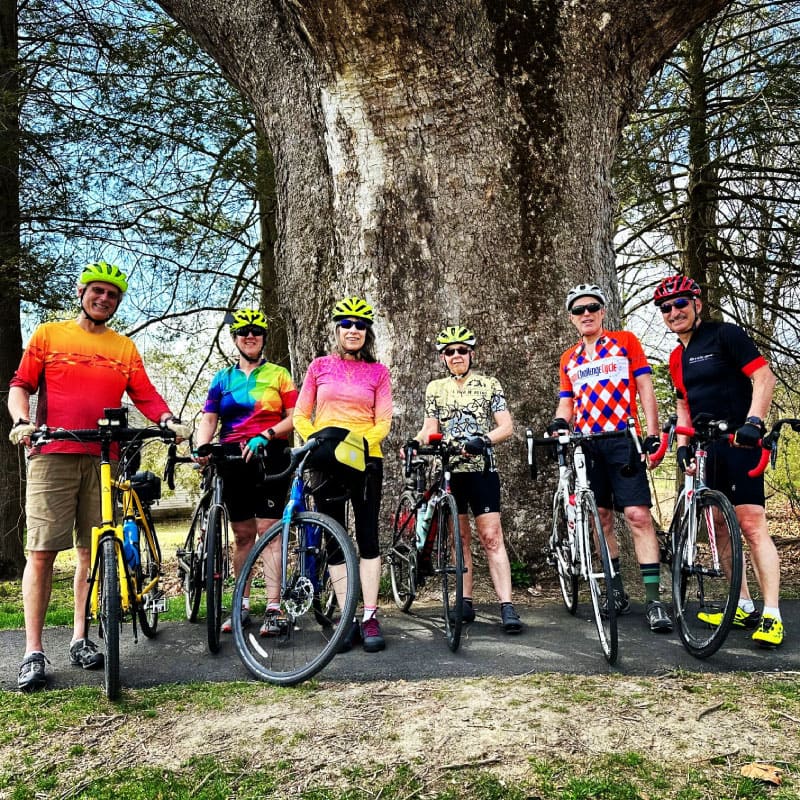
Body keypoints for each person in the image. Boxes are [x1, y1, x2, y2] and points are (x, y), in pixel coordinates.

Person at [8, 261, 190, 692]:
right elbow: (21, 385)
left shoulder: (123, 347)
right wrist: (22, 420)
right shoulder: (49, 335)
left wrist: (167, 418)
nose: (103, 298)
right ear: (82, 293)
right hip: (53, 453)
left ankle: (80, 638)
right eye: (97, 291)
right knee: (42, 552)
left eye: (112, 294)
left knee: (93, 552)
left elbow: (143, 391)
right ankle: (33, 651)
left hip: (104, 457)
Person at [654, 274, 783, 647]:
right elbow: (682, 406)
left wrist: (754, 423)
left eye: (680, 303)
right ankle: (740, 603)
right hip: (706, 448)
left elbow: (764, 377)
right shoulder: (677, 357)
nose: (673, 311)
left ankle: (772, 614)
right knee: (719, 527)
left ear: (697, 304)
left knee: (752, 524)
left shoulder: (725, 335)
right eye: (666, 307)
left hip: (741, 443)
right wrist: (681, 446)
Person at [549, 284, 671, 633]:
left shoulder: (626, 341)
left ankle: (654, 601)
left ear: (603, 312)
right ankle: (615, 591)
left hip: (621, 439)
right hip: (586, 444)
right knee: (600, 517)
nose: (585, 314)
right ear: (572, 318)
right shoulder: (569, 358)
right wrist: (560, 420)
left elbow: (645, 387)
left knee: (637, 515)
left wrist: (653, 432)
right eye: (578, 310)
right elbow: (567, 401)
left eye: (592, 307)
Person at [293, 297, 393, 653]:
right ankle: (346, 617)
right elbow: (302, 414)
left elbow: (383, 422)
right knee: (333, 539)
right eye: (347, 324)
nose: (353, 330)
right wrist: (319, 440)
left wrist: (355, 444)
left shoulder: (379, 372)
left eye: (360, 325)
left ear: (368, 333)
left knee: (367, 537)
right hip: (324, 459)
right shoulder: (319, 366)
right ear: (337, 330)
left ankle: (369, 616)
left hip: (365, 459)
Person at [412, 326, 522, 634]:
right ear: (443, 358)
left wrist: (483, 440)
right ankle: (465, 599)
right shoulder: (435, 388)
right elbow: (429, 427)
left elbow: (506, 426)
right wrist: (415, 442)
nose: (456, 356)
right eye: (450, 352)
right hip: (451, 472)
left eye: (462, 350)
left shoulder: (489, 384)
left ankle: (507, 605)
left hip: (482, 470)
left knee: (491, 537)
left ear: (471, 354)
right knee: (459, 540)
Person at [194, 309, 297, 636]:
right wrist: (202, 445)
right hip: (232, 459)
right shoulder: (222, 378)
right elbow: (210, 418)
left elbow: (295, 416)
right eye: (243, 332)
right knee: (242, 534)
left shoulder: (279, 374)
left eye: (256, 331)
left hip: (271, 457)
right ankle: (241, 604)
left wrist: (266, 434)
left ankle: (273, 607)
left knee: (269, 530)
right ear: (235, 338)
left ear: (264, 337)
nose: (249, 336)